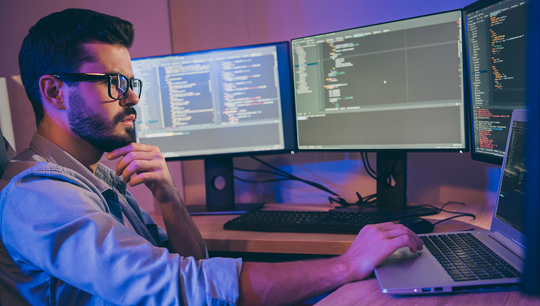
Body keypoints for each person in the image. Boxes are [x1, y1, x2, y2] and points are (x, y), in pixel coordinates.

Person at [0, 8, 423, 306]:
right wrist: (345, 265)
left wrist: (169, 199)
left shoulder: (102, 181)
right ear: (55, 91)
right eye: (113, 82)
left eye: (132, 82)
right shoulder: (37, 196)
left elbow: (193, 266)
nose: (132, 98)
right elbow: (183, 287)